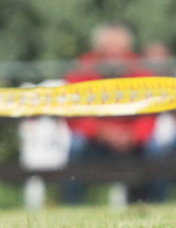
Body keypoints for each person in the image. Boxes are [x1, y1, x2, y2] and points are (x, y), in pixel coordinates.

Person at [63, 23, 170, 203]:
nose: (113, 54)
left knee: (156, 151)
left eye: (118, 49)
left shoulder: (141, 71)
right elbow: (73, 111)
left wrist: (133, 135)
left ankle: (155, 205)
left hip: (134, 142)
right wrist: (102, 132)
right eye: (108, 49)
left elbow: (150, 112)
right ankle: (69, 206)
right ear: (98, 50)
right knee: (75, 147)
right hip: (95, 141)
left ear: (127, 50)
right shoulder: (83, 69)